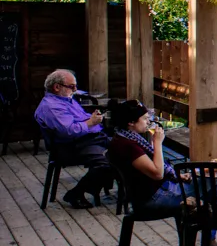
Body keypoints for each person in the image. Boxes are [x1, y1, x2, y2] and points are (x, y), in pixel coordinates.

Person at [33, 69, 110, 208]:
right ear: (57, 87)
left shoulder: (64, 99)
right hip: (69, 147)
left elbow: (78, 120)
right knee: (108, 161)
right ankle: (76, 194)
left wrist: (91, 117)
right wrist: (91, 122)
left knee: (124, 151)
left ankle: (118, 189)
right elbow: (68, 131)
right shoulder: (52, 107)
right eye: (72, 86)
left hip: (85, 140)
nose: (75, 90)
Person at [106, 99, 190, 210]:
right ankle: (203, 223)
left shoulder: (124, 136)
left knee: (205, 184)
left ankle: (195, 218)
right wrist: (158, 143)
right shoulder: (128, 146)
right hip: (153, 198)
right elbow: (158, 174)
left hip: (152, 192)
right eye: (145, 119)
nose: (149, 122)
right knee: (212, 186)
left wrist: (177, 176)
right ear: (131, 122)